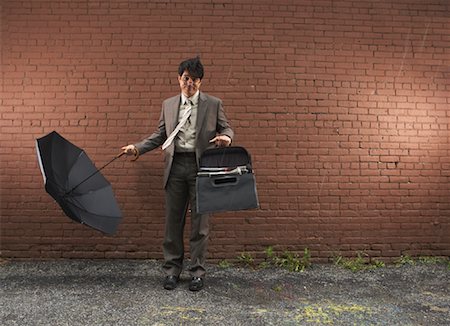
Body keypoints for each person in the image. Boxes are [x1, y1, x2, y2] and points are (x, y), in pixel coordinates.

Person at [121, 57, 233, 291]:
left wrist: (227, 138)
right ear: (179, 79)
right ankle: (172, 271)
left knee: (200, 224)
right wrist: (138, 148)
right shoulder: (169, 105)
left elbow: (227, 127)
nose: (189, 83)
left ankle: (197, 273)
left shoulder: (213, 104)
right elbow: (160, 134)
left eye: (194, 80)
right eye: (185, 79)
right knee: (173, 221)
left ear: (200, 82)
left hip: (201, 167)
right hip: (175, 167)